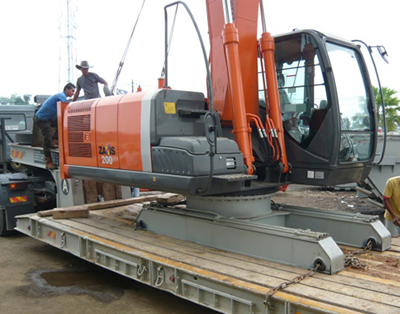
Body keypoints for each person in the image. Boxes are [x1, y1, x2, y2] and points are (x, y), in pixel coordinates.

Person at [35, 83, 76, 170]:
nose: (73, 93)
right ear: (67, 90)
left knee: (60, 124)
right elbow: (64, 109)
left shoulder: (60, 96)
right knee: (47, 138)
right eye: (72, 91)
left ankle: (53, 141)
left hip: (49, 118)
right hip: (43, 118)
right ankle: (48, 161)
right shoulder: (62, 96)